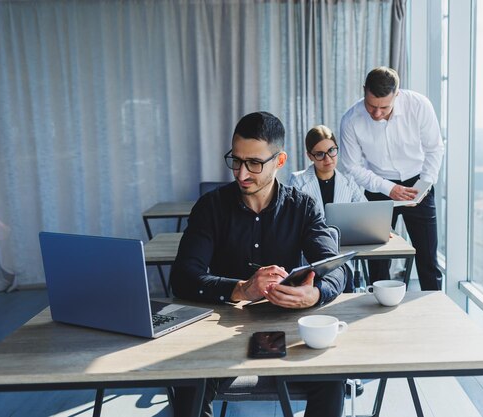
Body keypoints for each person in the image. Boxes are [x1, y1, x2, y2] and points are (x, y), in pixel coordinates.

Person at [170, 111, 347, 417]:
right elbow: (184, 277)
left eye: (254, 163)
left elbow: (337, 269)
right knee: (187, 384)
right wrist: (241, 288)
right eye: (236, 161)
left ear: (279, 161)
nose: (241, 173)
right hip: (217, 332)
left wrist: (315, 293)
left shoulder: (302, 207)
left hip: (286, 326)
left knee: (333, 379)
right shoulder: (210, 206)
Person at [340, 66, 445, 291]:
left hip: (418, 184)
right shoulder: (350, 119)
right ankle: (377, 316)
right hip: (377, 187)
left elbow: (435, 149)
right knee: (378, 259)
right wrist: (389, 188)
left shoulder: (419, 105)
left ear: (397, 94)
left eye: (384, 107)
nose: (376, 113)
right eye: (371, 106)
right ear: (364, 91)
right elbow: (351, 167)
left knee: (427, 258)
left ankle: (435, 313)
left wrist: (422, 186)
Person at [289, 125, 366, 216]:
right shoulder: (298, 182)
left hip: (343, 231)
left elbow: (366, 213)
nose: (328, 158)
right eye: (320, 154)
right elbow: (293, 218)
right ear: (310, 156)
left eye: (331, 150)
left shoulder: (349, 182)